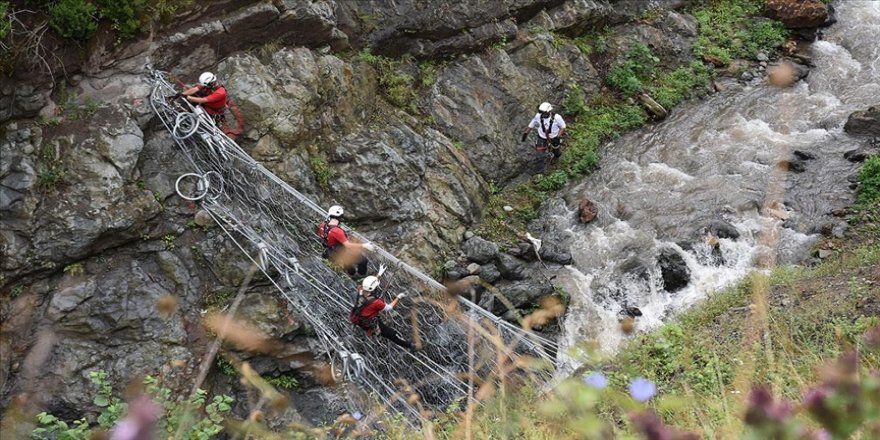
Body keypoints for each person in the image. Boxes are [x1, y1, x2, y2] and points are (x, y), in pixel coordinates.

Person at [349, 275, 417, 351]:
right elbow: (389, 308)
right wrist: (399, 297)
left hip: (360, 319)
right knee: (391, 334)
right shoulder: (376, 302)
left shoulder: (360, 291)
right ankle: (411, 346)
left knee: (386, 332)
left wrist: (378, 276)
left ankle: (369, 334)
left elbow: (368, 286)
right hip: (372, 323)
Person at [317, 205, 374, 278]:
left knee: (346, 262)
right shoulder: (337, 231)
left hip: (330, 251)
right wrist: (364, 245)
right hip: (341, 252)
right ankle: (361, 275)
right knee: (363, 261)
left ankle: (351, 272)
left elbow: (323, 235)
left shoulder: (322, 225)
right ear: (340, 217)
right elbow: (348, 245)